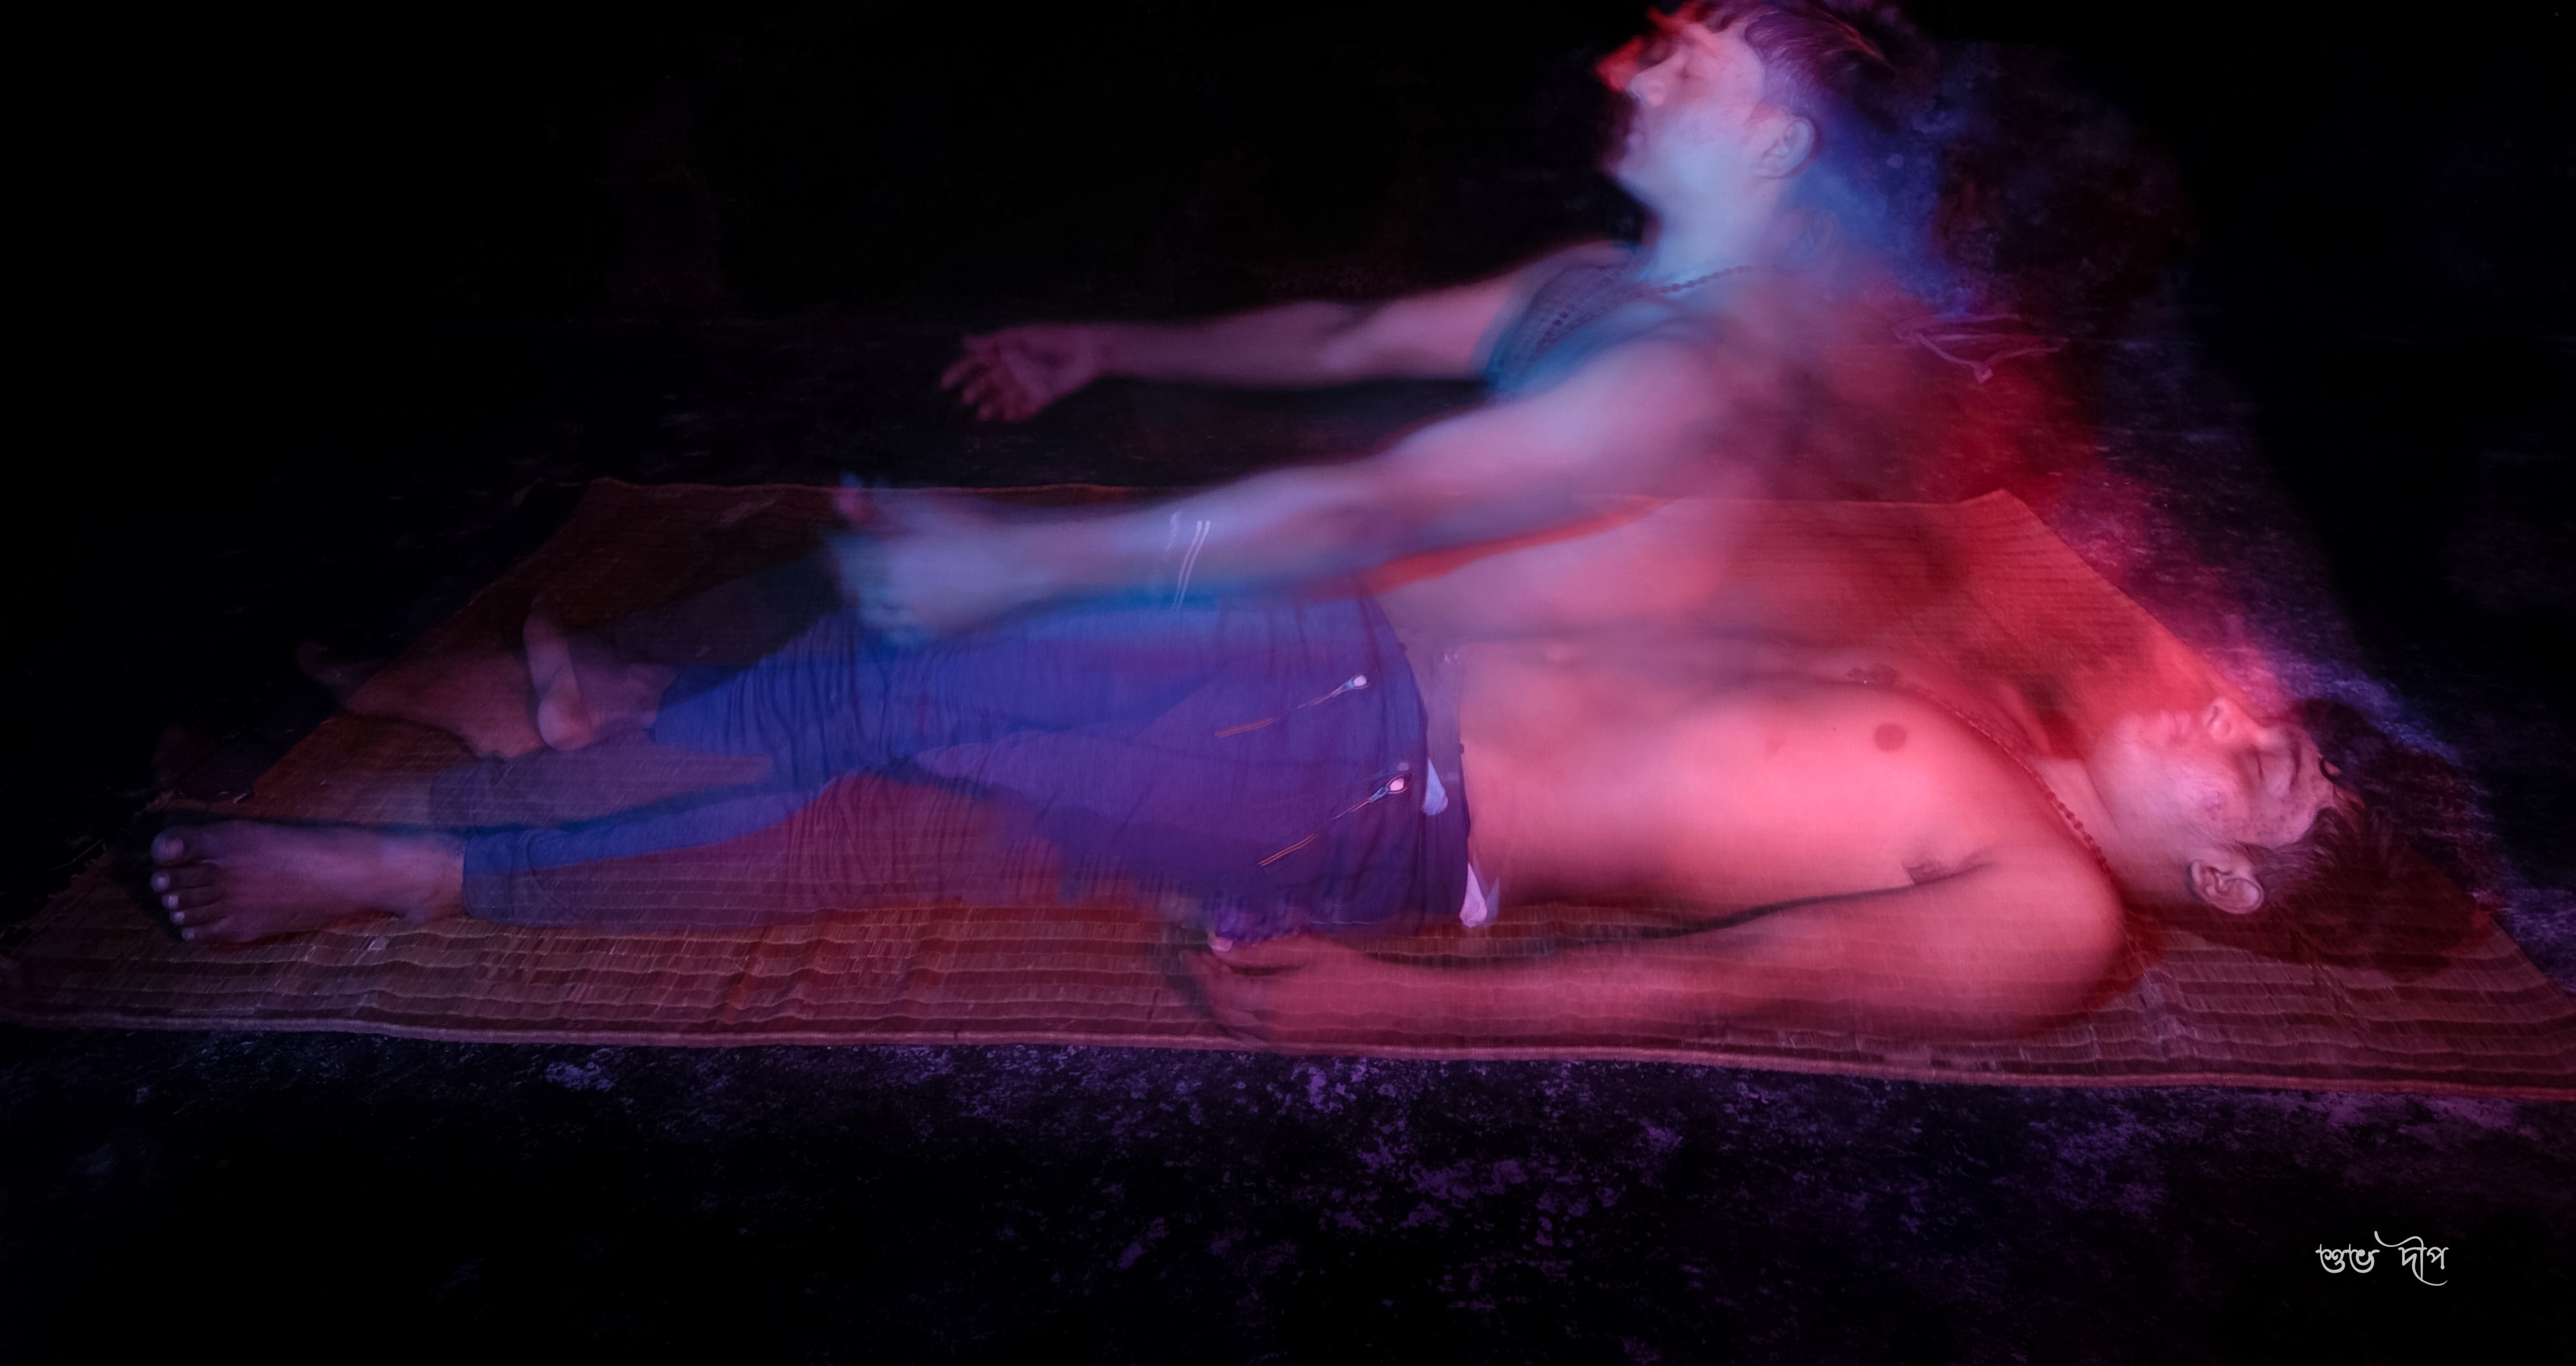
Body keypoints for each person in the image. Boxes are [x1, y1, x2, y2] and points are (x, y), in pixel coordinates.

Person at [144, 494, 2370, 1045]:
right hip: (1357, 660)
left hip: (1375, 781)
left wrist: (1412, 1003)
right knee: (902, 670)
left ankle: (415, 862)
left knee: (883, 722)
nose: (2214, 709)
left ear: (2229, 884)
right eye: (2245, 706)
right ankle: (580, 732)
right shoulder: (2022, 714)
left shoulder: (2047, 907)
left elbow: (1725, 976)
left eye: (2249, 766)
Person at [846, 0, 1982, 641]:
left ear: (1777, 144)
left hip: (1425, 736)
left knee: (913, 669)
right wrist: (1105, 347)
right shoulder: (1593, 278)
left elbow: (1374, 510)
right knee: (891, 643)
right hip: (1360, 652)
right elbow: (1349, 337)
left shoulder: (1694, 368)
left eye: (1678, 64)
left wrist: (1026, 560)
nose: (1619, 72)